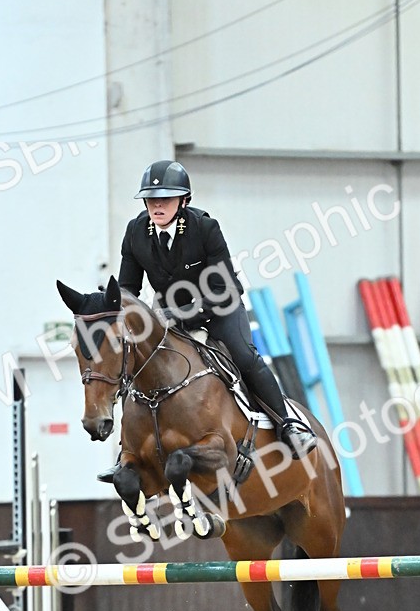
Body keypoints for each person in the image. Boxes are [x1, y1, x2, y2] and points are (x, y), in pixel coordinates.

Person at [97, 159, 316, 482]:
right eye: (152, 199)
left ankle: (287, 425)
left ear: (183, 201)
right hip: (168, 316)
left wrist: (177, 314)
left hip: (219, 307)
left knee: (244, 357)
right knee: (135, 365)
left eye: (166, 199)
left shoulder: (204, 228)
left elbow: (224, 288)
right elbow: (128, 287)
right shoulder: (136, 232)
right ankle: (127, 451)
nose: (157, 205)